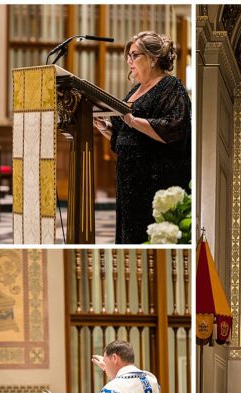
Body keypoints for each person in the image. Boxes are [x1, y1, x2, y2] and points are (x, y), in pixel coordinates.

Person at [95, 32, 190, 244]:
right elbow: (128, 136)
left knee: (145, 236)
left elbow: (174, 128)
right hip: (128, 180)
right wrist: (106, 129)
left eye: (134, 55)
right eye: (128, 56)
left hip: (154, 179)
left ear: (153, 58)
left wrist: (133, 121)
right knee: (129, 235)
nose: (129, 61)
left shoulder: (170, 86)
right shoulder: (133, 92)